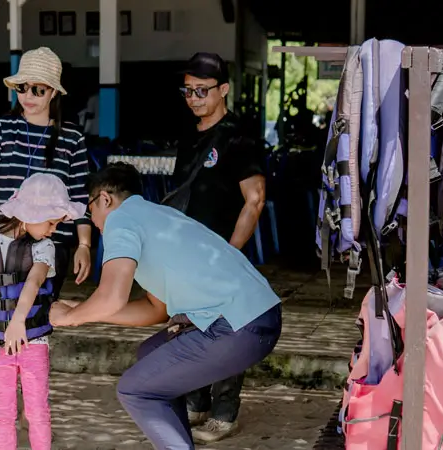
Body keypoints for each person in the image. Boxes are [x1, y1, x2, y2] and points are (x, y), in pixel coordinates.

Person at [49, 163, 282, 450]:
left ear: (105, 199)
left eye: (90, 209)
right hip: (261, 317)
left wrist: (70, 317)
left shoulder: (120, 220)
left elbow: (111, 298)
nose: (93, 220)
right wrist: (84, 310)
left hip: (238, 325)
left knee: (136, 390)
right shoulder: (159, 215)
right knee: (151, 354)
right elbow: (154, 309)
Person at [0, 46, 92, 446]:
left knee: (30, 320)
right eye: (22, 87)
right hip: (0, 240)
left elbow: (81, 193)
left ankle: (33, 412)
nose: (29, 96)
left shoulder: (70, 138)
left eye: (37, 89)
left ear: (54, 92)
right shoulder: (1, 129)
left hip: (51, 243)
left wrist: (84, 242)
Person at [164, 51, 266, 443]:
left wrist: (231, 251)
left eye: (202, 91)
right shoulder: (190, 134)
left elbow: (253, 200)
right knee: (187, 327)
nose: (193, 98)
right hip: (186, 251)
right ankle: (196, 403)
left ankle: (225, 412)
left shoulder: (239, 136)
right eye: (187, 91)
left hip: (222, 252)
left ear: (223, 89)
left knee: (225, 332)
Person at [0, 173, 86, 450]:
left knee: (38, 411)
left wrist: (17, 322)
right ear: (30, 213)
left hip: (33, 342)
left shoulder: (44, 246)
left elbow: (34, 281)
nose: (53, 230)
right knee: (3, 413)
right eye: (51, 222)